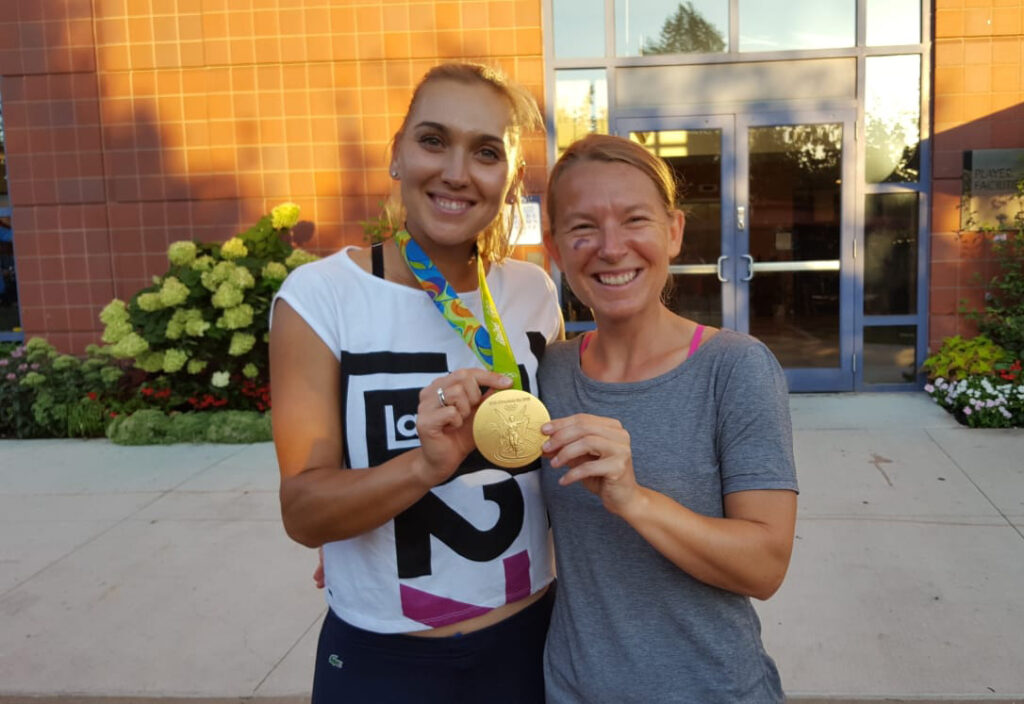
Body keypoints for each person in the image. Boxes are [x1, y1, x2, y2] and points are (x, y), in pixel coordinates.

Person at [269, 62, 562, 703]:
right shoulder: (322, 298)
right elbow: (304, 512)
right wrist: (421, 469)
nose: (456, 171)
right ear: (396, 153)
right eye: (433, 140)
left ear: (511, 178)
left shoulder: (534, 294)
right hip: (387, 661)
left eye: (487, 152)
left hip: (535, 646)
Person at [538, 134, 798, 703]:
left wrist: (634, 499)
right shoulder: (549, 373)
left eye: (635, 219)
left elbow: (765, 567)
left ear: (673, 231)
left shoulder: (735, 369)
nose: (610, 247)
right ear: (553, 246)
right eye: (582, 227)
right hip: (573, 690)